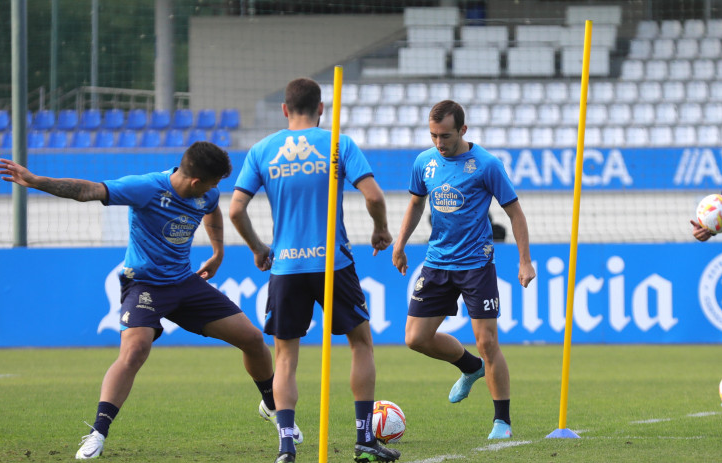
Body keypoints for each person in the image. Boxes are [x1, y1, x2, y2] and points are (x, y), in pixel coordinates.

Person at [0, 141, 300, 460]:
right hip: (145, 285)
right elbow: (87, 190)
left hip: (185, 283)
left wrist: (218, 252)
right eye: (213, 183)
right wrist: (36, 181)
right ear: (196, 182)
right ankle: (98, 432)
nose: (215, 189)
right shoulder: (145, 188)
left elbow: (212, 211)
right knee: (135, 350)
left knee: (253, 339)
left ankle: (271, 405)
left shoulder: (207, 194)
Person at [229, 77, 400, 463]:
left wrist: (259, 248)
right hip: (333, 263)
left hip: (287, 265)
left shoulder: (261, 150)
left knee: (286, 357)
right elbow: (373, 195)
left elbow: (236, 209)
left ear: (285, 110)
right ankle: (363, 440)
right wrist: (380, 230)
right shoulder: (338, 142)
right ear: (321, 109)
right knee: (360, 343)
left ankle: (287, 445)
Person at [391, 100, 536, 440]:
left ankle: (502, 421)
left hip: (476, 265)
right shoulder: (424, 163)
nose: (439, 143)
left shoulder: (486, 165)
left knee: (487, 341)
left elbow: (515, 212)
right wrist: (399, 244)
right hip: (437, 262)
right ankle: (469, 368)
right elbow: (415, 204)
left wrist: (524, 260)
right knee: (415, 338)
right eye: (433, 135)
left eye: (445, 136)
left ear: (463, 131)